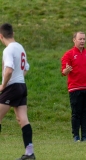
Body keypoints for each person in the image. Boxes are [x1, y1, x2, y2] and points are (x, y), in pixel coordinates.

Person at [0, 23, 35, 160]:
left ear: (1, 36)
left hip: (12, 87)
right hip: (21, 85)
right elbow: (26, 67)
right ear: (13, 34)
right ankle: (29, 153)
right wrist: (18, 78)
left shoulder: (8, 50)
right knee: (22, 119)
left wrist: (3, 85)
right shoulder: (20, 47)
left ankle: (29, 153)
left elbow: (9, 69)